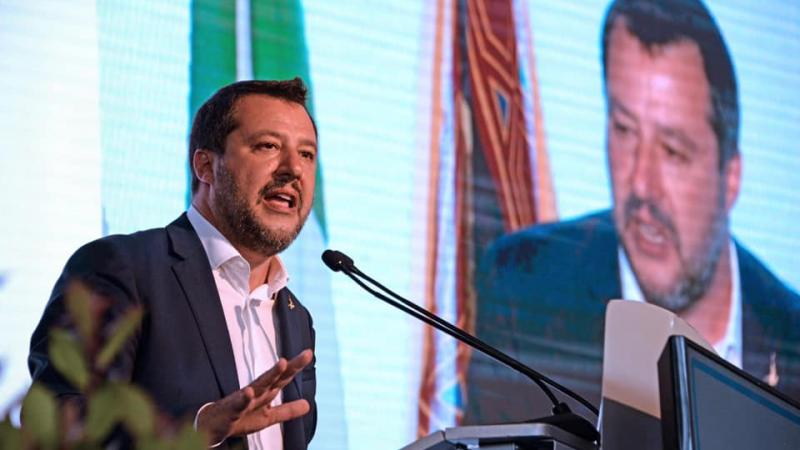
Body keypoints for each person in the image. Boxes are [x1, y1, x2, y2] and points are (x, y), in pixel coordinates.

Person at [465, 0, 800, 424]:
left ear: (730, 176)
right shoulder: (523, 296)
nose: (641, 184)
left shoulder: (791, 341)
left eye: (673, 151)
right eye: (624, 131)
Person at [29, 78, 319, 449]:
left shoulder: (297, 319)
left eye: (307, 154)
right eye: (268, 146)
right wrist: (195, 431)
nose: (293, 169)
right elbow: (58, 425)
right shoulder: (122, 268)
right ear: (206, 166)